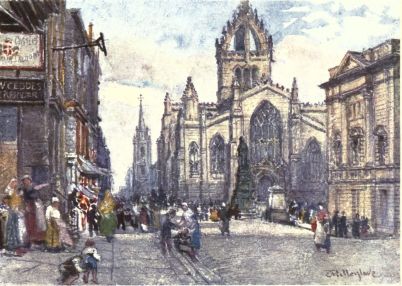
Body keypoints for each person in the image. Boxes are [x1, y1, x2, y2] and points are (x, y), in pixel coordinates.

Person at [20, 175, 46, 247]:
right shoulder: (23, 189)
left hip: (35, 206)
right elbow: (24, 198)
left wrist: (30, 196)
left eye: (27, 180)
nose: (26, 182)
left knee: (37, 223)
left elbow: (35, 196)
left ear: (30, 180)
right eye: (24, 180)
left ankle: (37, 241)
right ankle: (30, 240)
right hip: (28, 206)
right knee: (28, 223)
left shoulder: (33, 187)